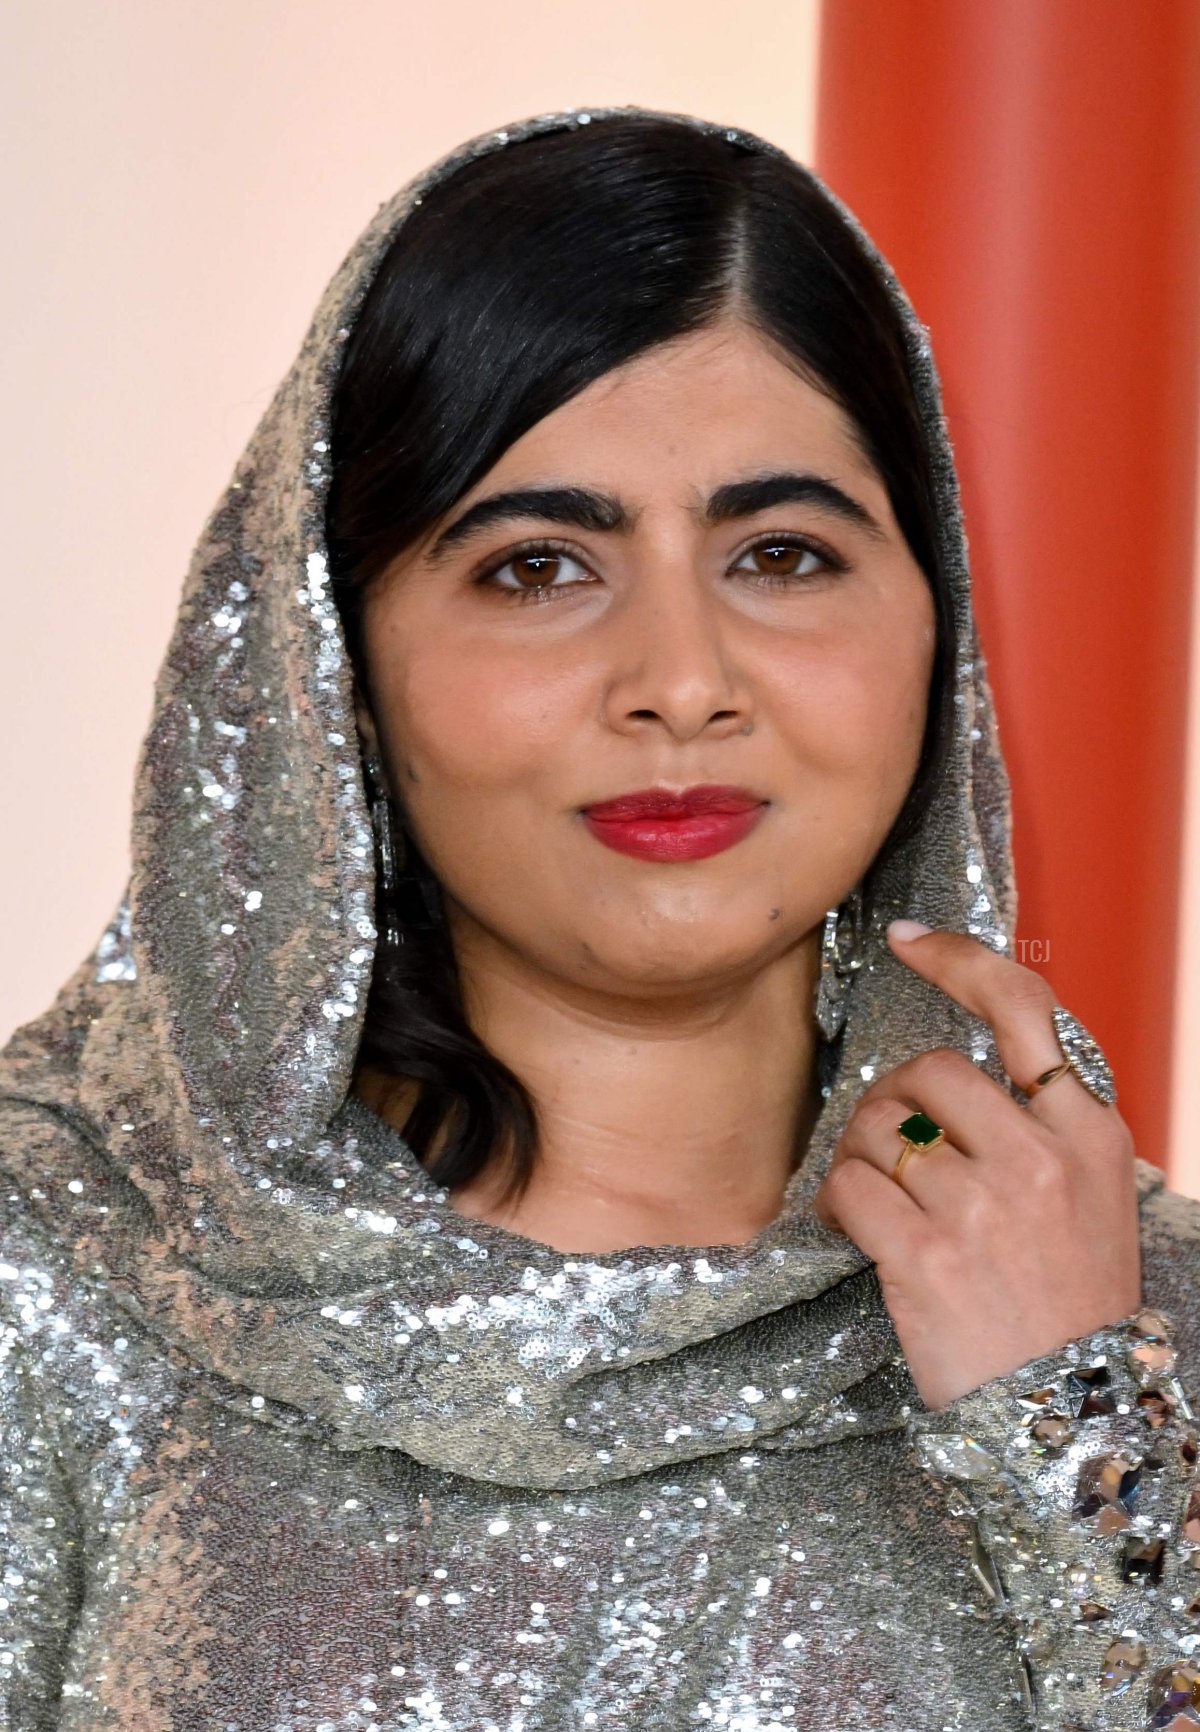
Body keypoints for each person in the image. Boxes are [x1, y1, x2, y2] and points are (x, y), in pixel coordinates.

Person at [1, 103, 1198, 1732]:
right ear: (329, 668)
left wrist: (1089, 1448)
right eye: (536, 569)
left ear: (938, 628)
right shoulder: (63, 1260)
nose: (683, 684)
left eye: (782, 554)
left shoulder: (1136, 1322)